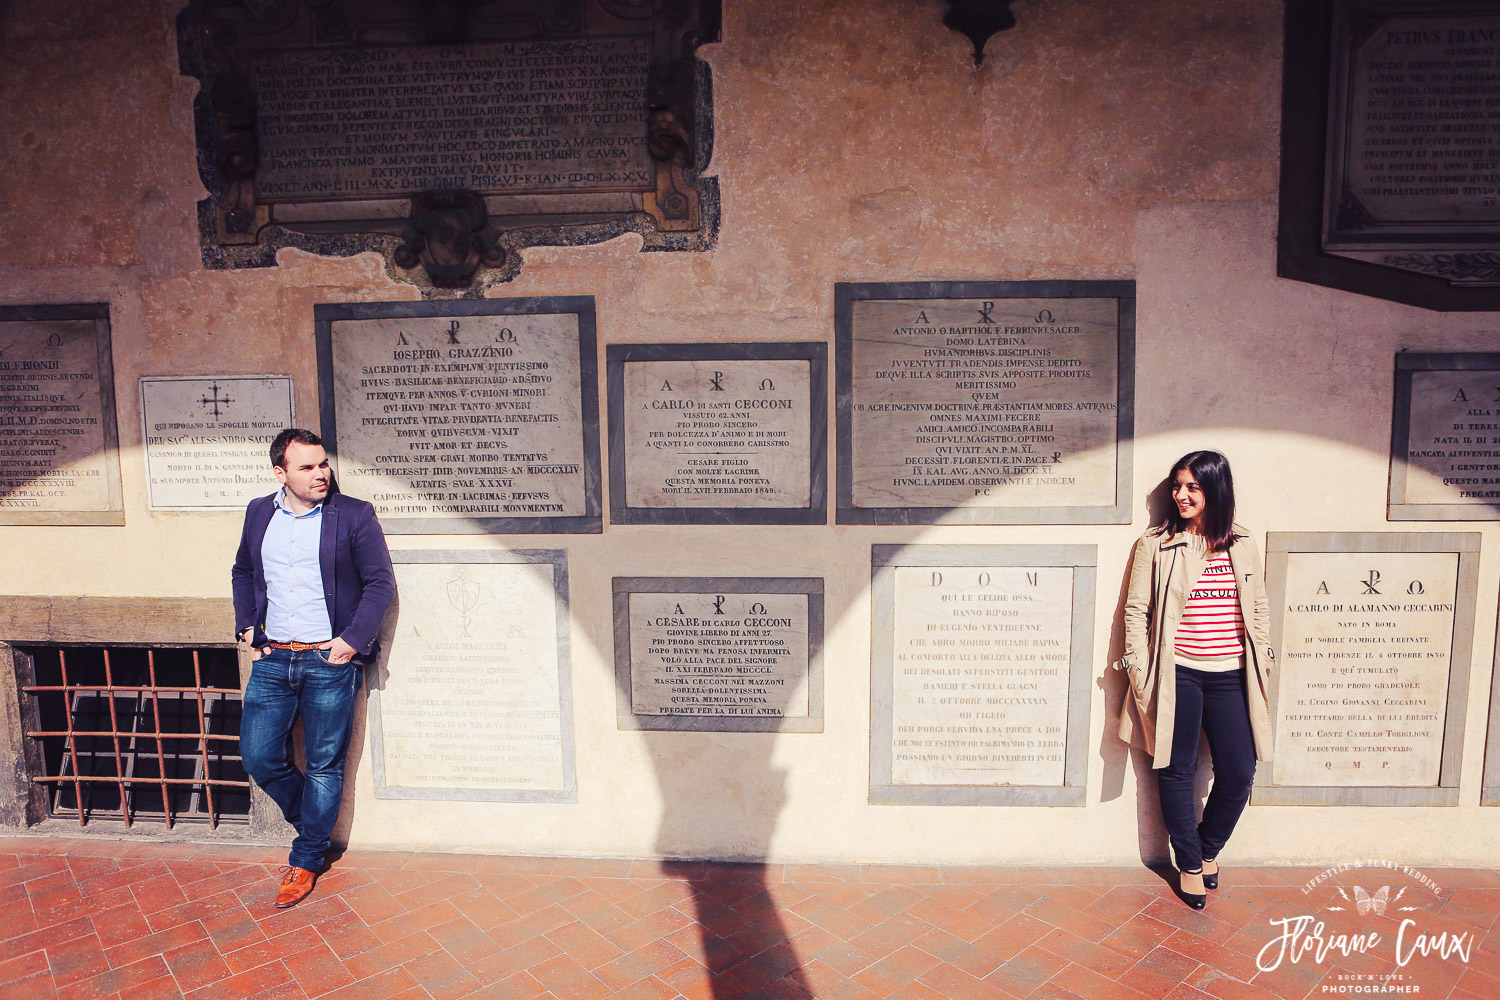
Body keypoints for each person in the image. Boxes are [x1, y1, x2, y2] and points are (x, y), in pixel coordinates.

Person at [231, 428, 395, 908]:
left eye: (323, 464)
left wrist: (348, 644)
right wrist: (246, 627)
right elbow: (243, 570)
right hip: (273, 655)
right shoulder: (259, 511)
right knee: (259, 756)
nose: (320, 473)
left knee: (324, 765)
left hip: (328, 660)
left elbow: (380, 583)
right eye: (306, 467)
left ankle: (305, 860)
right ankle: (315, 828)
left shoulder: (353, 515)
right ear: (280, 472)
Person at [1117, 450, 1274, 910]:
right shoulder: (1157, 544)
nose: (1181, 495)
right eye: (1177, 486)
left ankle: (1207, 849)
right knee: (1175, 767)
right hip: (1177, 673)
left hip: (1231, 675)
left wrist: (1264, 655)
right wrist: (1138, 669)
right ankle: (1188, 863)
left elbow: (1258, 606)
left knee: (1239, 772)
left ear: (1215, 490)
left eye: (1193, 487)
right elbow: (1135, 610)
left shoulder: (1242, 544)